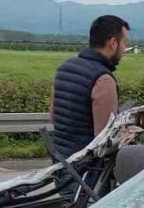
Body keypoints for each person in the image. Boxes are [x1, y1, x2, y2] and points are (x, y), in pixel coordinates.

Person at [50, 15, 130, 160]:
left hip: (61, 162)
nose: (124, 49)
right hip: (87, 170)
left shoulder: (64, 68)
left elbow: (54, 117)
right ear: (113, 43)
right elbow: (104, 139)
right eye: (124, 43)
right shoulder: (102, 80)